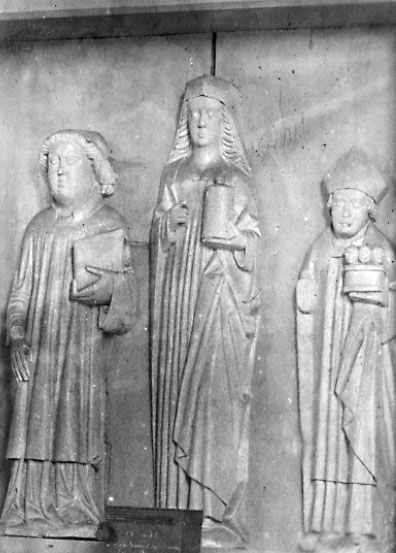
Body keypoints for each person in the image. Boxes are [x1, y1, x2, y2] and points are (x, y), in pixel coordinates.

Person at [0, 129, 137, 538]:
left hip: (80, 348)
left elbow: (128, 301)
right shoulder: (38, 228)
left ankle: (73, 505)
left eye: (69, 161)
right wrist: (17, 335)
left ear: (94, 170)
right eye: (53, 163)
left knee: (74, 422)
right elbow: (20, 294)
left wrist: (111, 290)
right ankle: (27, 505)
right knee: (32, 421)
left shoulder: (109, 224)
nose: (58, 170)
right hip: (39, 349)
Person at [151, 75, 260, 546]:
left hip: (219, 303)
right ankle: (178, 511)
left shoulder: (236, 179)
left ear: (224, 122)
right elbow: (158, 238)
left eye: (209, 113)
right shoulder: (173, 177)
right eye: (193, 113)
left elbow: (254, 245)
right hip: (177, 304)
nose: (200, 121)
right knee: (178, 397)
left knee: (213, 403)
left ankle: (214, 516)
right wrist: (167, 226)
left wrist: (234, 240)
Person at [296, 148, 396, 553]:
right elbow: (307, 296)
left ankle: (363, 527)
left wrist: (379, 298)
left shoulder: (382, 249)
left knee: (362, 436)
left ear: (370, 210)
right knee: (329, 437)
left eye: (355, 204)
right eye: (339, 203)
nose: (346, 212)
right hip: (328, 361)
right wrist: (305, 296)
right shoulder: (320, 247)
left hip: (366, 364)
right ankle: (327, 525)